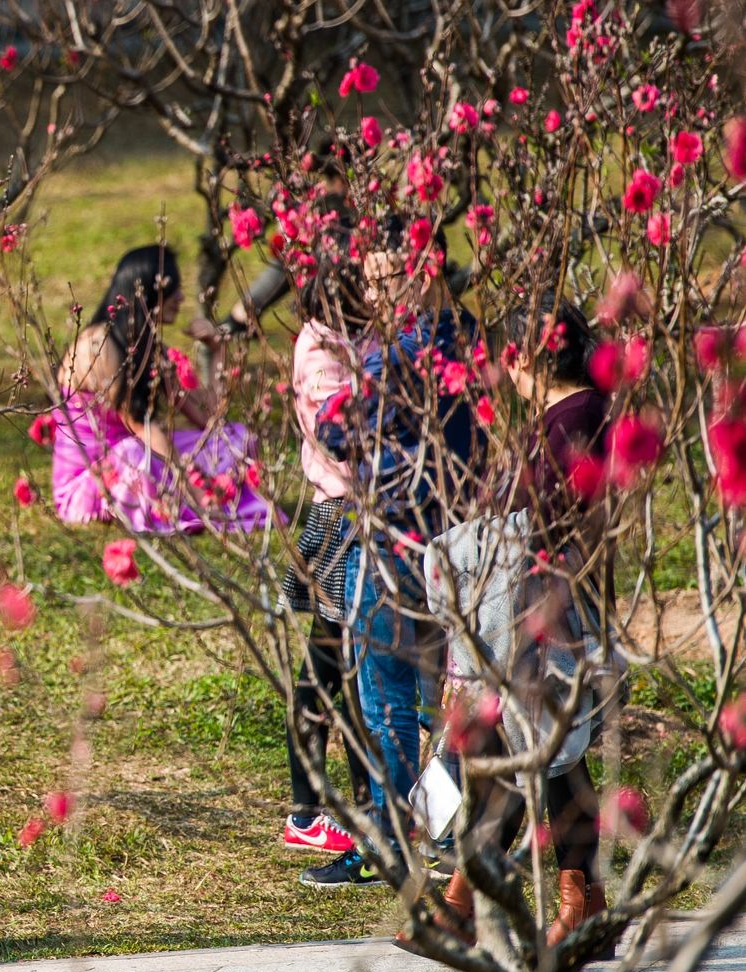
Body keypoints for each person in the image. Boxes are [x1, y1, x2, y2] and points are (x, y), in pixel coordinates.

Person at [417, 300, 612, 951]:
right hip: (534, 599)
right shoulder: (568, 414)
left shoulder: (578, 415)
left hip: (552, 605)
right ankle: (550, 897)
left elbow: (552, 513)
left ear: (529, 356)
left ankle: (482, 898)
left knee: (547, 749)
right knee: (540, 750)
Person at [304, 222, 483, 888]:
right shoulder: (476, 343)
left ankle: (392, 841)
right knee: (458, 696)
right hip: (462, 540)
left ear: (426, 269)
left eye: (387, 278)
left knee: (387, 702)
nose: (377, 293)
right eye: (372, 280)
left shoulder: (398, 355)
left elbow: (333, 431)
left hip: (392, 540)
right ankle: (433, 826)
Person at [51, 245, 273, 534]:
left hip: (143, 458)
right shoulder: (98, 347)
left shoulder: (150, 349)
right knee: (136, 453)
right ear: (148, 291)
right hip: (91, 482)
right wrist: (196, 495)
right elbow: (143, 427)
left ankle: (185, 501)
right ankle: (187, 505)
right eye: (173, 289)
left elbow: (209, 418)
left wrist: (217, 349)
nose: (180, 298)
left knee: (237, 438)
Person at [279, 254, 372, 860]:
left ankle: (366, 802)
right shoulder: (327, 358)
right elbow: (348, 442)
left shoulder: (329, 342)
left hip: (344, 511)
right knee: (338, 663)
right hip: (342, 515)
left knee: (346, 664)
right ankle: (310, 808)